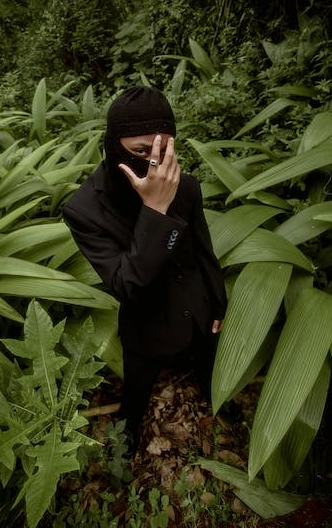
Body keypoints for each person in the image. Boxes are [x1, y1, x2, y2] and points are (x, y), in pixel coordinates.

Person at [62, 86, 227, 454]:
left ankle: (217, 403)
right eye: (140, 152)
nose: (156, 164)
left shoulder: (184, 185)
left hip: (194, 308)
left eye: (164, 150)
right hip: (145, 324)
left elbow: (203, 249)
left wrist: (217, 302)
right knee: (136, 391)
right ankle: (127, 441)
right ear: (113, 145)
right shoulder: (85, 209)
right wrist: (155, 211)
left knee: (208, 366)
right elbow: (127, 284)